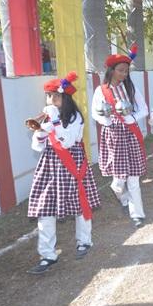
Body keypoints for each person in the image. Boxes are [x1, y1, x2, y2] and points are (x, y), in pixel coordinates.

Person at [27, 72, 100, 274]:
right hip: (50, 164)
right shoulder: (48, 117)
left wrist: (55, 122)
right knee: (45, 208)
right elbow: (37, 147)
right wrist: (41, 132)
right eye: (49, 96)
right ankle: (47, 255)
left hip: (72, 163)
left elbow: (67, 141)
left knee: (79, 204)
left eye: (55, 96)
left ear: (65, 98)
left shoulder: (75, 117)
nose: (51, 100)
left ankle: (84, 241)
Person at [91, 45, 149, 227]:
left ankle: (137, 214)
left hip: (130, 135)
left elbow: (144, 109)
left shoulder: (130, 88)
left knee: (133, 178)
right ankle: (123, 199)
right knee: (118, 182)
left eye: (126, 71)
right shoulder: (101, 90)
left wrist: (132, 118)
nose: (124, 74)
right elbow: (95, 113)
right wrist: (107, 121)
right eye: (121, 70)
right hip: (113, 138)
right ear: (112, 70)